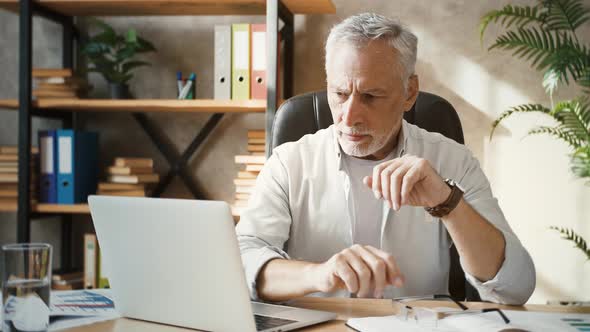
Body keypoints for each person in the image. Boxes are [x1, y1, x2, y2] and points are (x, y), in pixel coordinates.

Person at [235, 13, 536, 305]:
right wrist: (318, 274)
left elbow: (516, 287)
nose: (349, 117)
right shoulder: (290, 162)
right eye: (340, 93)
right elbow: (240, 261)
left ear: (409, 93)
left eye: (370, 96)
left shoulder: (452, 160)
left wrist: (449, 203)